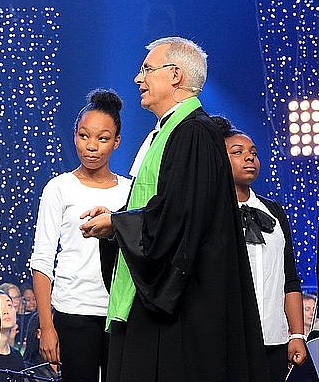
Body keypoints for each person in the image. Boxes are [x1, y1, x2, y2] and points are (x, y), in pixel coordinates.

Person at [80, 37, 270, 381]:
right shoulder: (167, 132)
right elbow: (161, 207)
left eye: (147, 70)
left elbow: (180, 218)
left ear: (175, 75)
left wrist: (118, 225)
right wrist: (116, 222)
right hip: (150, 290)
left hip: (178, 306)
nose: (138, 79)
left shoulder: (194, 132)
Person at [30, 89, 130, 382]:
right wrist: (47, 327)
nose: (92, 146)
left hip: (120, 312)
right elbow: (42, 259)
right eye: (84, 136)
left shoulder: (130, 190)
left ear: (116, 142)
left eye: (102, 138)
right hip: (73, 311)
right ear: (75, 135)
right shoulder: (59, 188)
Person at [212, 115, 306, 380]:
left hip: (274, 338)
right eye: (238, 152)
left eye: (253, 153)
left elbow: (290, 277)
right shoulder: (211, 211)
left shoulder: (274, 211)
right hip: (228, 338)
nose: (249, 158)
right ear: (219, 159)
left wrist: (296, 334)